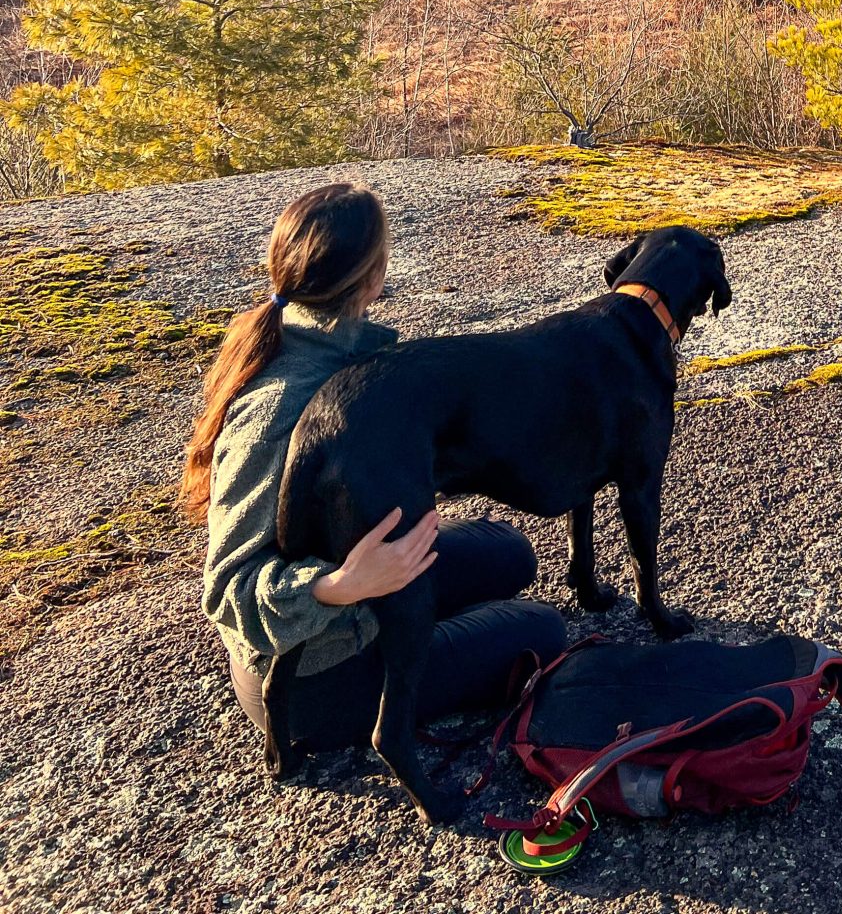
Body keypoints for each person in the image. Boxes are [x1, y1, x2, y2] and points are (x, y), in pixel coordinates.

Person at [181, 182, 567, 754]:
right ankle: (406, 656)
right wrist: (337, 586)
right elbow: (227, 588)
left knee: (512, 551)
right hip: (314, 679)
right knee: (543, 629)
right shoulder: (280, 404)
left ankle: (419, 621)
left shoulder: (356, 359)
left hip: (371, 590)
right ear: (372, 278)